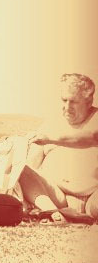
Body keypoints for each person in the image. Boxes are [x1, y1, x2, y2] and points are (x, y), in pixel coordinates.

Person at [18, 73, 98, 221]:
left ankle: (82, 216)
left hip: (92, 196)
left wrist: (51, 139)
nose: (67, 107)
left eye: (73, 101)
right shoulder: (50, 125)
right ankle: (53, 212)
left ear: (88, 102)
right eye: (64, 100)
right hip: (56, 195)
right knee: (22, 169)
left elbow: (91, 137)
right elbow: (32, 165)